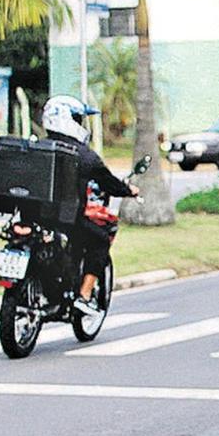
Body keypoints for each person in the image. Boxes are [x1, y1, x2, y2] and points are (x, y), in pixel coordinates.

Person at [41, 95, 140, 316]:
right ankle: (84, 295)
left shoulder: (38, 147)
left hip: (34, 217)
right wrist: (128, 190)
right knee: (101, 240)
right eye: (78, 119)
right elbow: (108, 181)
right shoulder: (84, 155)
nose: (81, 124)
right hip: (66, 219)